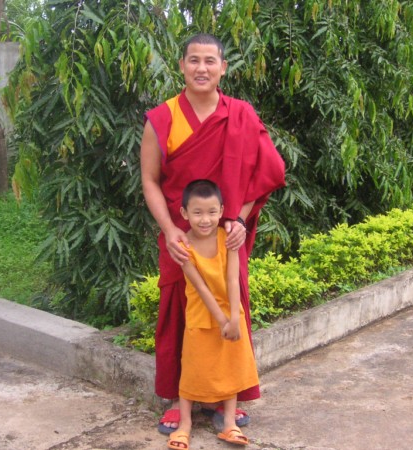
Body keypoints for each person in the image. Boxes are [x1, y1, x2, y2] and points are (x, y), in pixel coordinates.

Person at [140, 33, 285, 434]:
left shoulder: (240, 114)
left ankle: (227, 398)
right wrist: (169, 230)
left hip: (226, 239)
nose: (201, 68)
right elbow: (150, 180)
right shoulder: (162, 118)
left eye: (210, 61)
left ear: (223, 68)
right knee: (179, 316)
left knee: (230, 310)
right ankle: (176, 398)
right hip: (182, 237)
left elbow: (267, 171)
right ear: (182, 66)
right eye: (193, 60)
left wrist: (238, 218)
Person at [166, 179, 258, 450]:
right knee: (192, 371)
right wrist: (221, 321)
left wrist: (233, 319)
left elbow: (232, 279)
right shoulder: (184, 246)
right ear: (184, 214)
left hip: (231, 313)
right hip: (201, 316)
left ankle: (229, 424)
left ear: (221, 211)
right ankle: (185, 426)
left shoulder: (227, 238)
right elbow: (200, 287)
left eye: (211, 212)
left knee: (229, 368)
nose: (204, 220)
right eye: (197, 213)